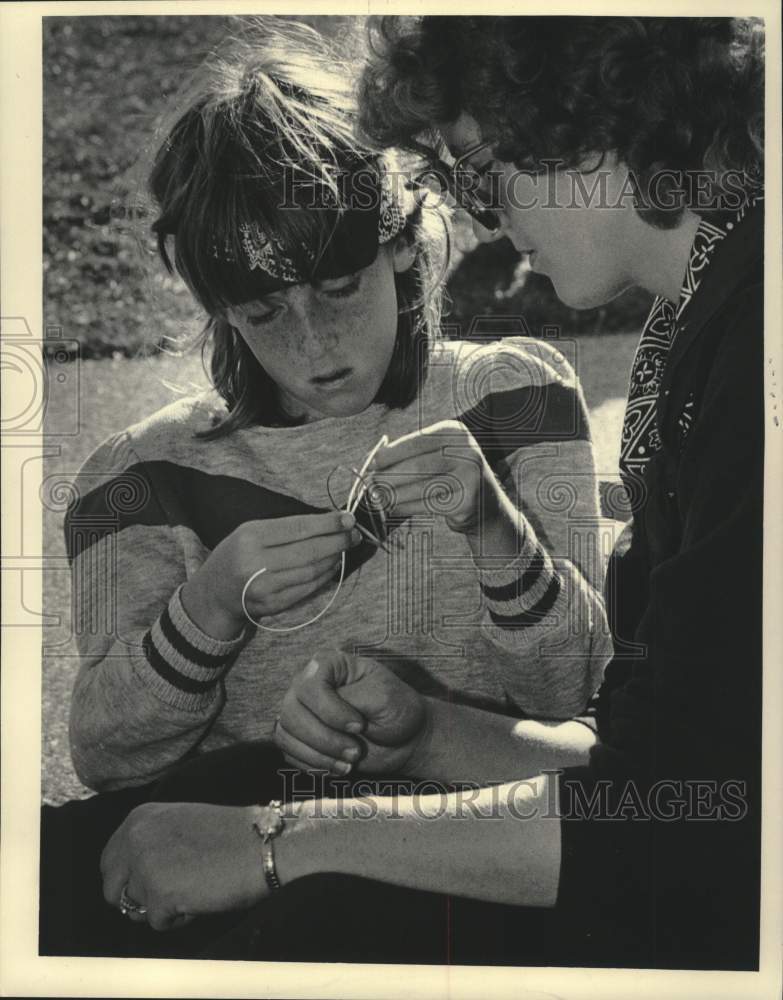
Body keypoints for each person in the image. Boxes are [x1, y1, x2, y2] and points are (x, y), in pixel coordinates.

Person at [97, 15, 765, 971]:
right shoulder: (698, 324)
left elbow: (687, 829)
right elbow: (654, 774)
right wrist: (427, 737)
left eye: (467, 166)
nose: (480, 214)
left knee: (318, 914)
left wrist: (277, 842)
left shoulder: (753, 357)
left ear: (579, 115)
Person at [41, 20, 610, 957]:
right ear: (219, 306)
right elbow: (106, 756)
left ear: (399, 245)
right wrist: (208, 608)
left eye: (339, 287)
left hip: (462, 848)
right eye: (264, 313)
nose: (312, 347)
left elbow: (578, 698)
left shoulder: (508, 395)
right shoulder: (136, 477)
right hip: (231, 848)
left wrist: (494, 532)